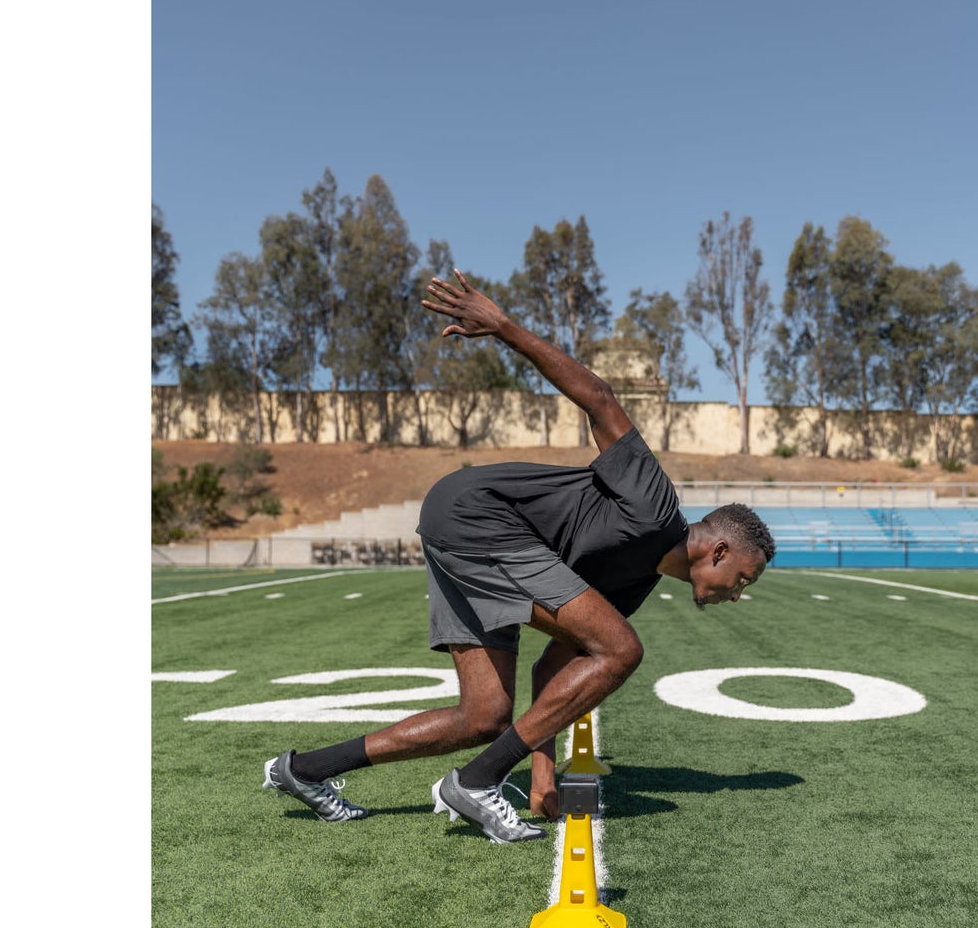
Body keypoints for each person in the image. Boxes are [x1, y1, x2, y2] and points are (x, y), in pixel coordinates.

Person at [262, 268, 777, 843]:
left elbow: (552, 671)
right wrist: (503, 327)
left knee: (484, 716)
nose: (739, 592)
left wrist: (544, 773)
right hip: (478, 517)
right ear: (721, 549)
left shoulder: (635, 584)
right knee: (622, 648)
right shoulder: (655, 505)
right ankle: (478, 782)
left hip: (465, 531)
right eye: (743, 578)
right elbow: (600, 399)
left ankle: (304, 770)